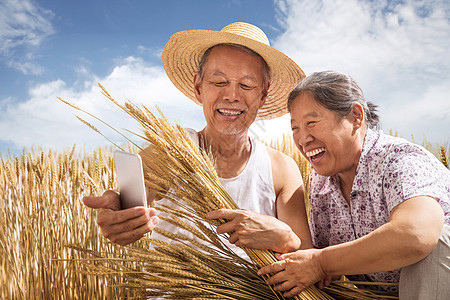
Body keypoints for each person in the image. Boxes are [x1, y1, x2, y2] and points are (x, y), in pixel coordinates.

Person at [82, 22, 313, 257]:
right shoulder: (170, 152)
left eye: (247, 85)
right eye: (219, 82)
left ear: (263, 94)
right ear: (198, 86)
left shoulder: (282, 170)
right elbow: (129, 203)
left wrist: (286, 238)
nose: (232, 95)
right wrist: (119, 215)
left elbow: (308, 261)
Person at [257, 70, 450, 299]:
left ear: (355, 117)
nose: (302, 139)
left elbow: (416, 235)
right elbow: (322, 269)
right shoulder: (320, 184)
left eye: (312, 122)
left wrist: (321, 263)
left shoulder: (400, 159)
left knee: (437, 239)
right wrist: (282, 239)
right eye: (295, 128)